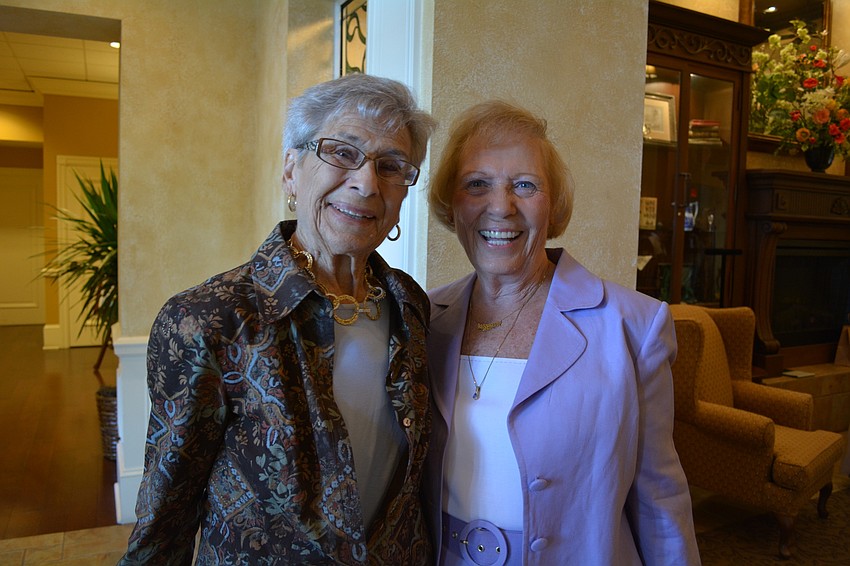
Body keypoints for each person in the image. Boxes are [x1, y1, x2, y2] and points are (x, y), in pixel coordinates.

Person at [119, 73, 437, 565]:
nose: (366, 182)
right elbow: (167, 516)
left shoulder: (409, 305)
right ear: (292, 170)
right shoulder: (210, 319)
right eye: (341, 152)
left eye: (391, 165)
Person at [424, 101, 700, 565]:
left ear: (553, 207)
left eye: (525, 186)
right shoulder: (424, 318)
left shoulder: (634, 325)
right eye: (477, 185)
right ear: (452, 205)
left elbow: (660, 498)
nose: (500, 207)